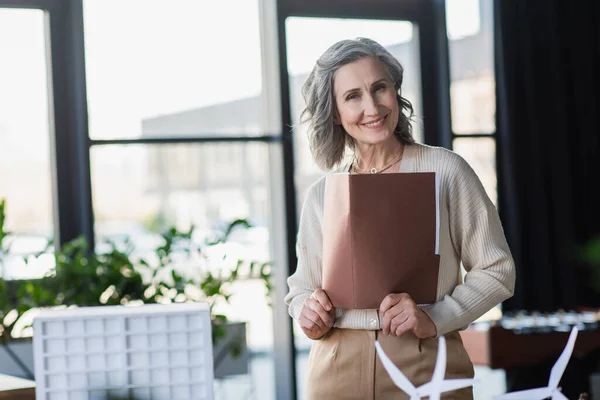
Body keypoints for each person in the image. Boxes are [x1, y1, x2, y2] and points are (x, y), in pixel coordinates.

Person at [285, 37, 516, 400]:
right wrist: (308, 312)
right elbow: (301, 290)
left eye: (380, 88)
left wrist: (436, 317)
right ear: (334, 112)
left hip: (426, 365)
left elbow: (497, 270)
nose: (372, 106)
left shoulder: (446, 171)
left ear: (396, 92)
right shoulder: (322, 195)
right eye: (352, 96)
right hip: (335, 370)